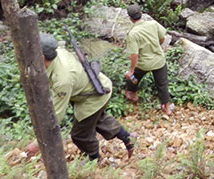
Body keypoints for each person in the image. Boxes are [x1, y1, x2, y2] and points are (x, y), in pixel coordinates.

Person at [25, 33, 134, 162]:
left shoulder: (63, 79)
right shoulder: (57, 52)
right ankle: (129, 139)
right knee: (98, 120)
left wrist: (38, 143)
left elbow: (55, 116)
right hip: (92, 87)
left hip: (94, 96)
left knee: (80, 134)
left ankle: (94, 159)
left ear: (42, 57)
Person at [124, 4, 173, 115]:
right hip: (159, 61)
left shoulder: (133, 34)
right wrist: (157, 46)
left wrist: (131, 70)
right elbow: (162, 38)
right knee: (162, 84)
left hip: (144, 64)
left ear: (130, 18)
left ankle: (132, 93)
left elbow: (134, 55)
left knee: (133, 77)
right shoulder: (153, 24)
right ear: (141, 14)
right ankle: (166, 108)